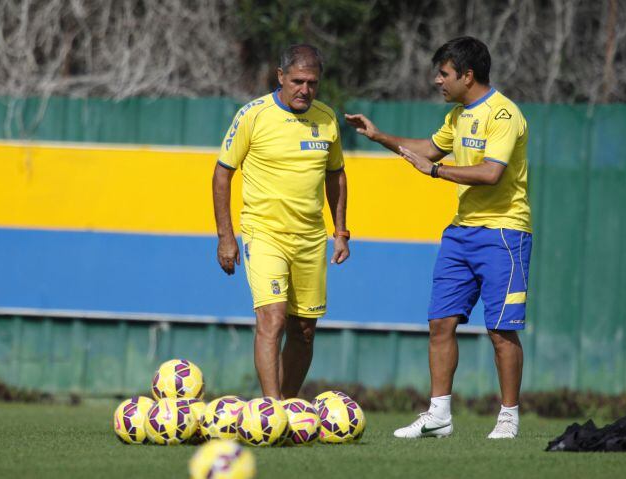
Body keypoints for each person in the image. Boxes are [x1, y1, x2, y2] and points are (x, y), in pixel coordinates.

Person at [345, 36, 531, 439]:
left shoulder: (504, 115)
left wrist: (438, 173)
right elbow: (427, 150)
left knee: (501, 330)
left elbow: (490, 173)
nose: (437, 80)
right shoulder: (458, 116)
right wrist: (380, 137)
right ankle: (439, 414)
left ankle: (509, 416)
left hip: (503, 233)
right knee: (440, 323)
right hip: (461, 234)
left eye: (444, 73)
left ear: (467, 75)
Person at [212, 44, 350, 400]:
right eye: (298, 81)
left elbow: (336, 176)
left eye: (313, 83)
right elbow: (222, 174)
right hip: (265, 234)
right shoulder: (253, 115)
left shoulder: (326, 118)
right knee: (271, 319)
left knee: (303, 330)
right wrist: (226, 237)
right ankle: (270, 410)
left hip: (309, 239)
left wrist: (341, 232)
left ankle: (286, 407)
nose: (305, 89)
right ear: (281, 78)